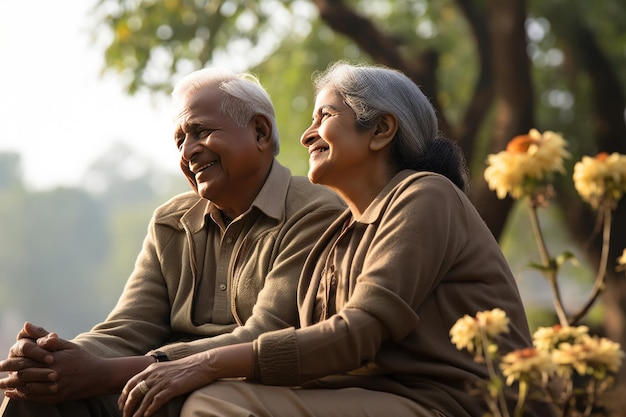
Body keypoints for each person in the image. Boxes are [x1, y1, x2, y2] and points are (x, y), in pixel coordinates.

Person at [114, 61, 544, 417]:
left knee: (216, 405)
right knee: (211, 398)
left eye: (325, 116)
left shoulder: (427, 195)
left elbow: (356, 334)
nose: (306, 135)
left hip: (454, 404)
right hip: (374, 397)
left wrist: (204, 363)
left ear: (381, 130)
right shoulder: (336, 235)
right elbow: (307, 344)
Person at [0, 68, 346, 417]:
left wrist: (109, 373)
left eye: (201, 131)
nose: (189, 151)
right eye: (180, 140)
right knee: (33, 392)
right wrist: (51, 359)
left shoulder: (315, 211)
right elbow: (128, 329)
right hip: (152, 382)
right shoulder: (171, 222)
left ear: (260, 132)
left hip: (244, 391)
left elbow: (267, 334)